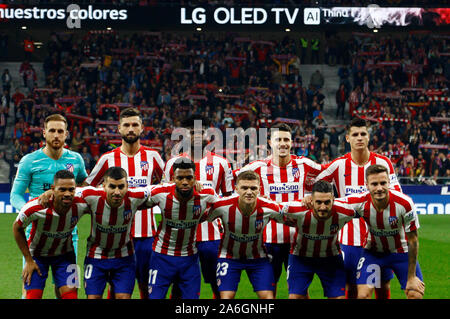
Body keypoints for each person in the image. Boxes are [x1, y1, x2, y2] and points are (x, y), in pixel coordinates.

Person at [313, 117, 402, 299]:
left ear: (369, 137)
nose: (359, 138)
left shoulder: (383, 163)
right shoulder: (338, 165)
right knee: (351, 287)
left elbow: (397, 195)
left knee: (381, 286)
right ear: (347, 138)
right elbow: (314, 182)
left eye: (363, 134)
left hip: (377, 238)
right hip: (348, 239)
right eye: (355, 134)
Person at [84, 107, 164, 299]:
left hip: (146, 236)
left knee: (146, 287)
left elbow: (167, 187)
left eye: (135, 125)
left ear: (142, 128)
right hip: (116, 238)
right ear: (119, 129)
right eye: (126, 125)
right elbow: (87, 188)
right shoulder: (108, 159)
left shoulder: (152, 157)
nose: (130, 129)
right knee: (116, 288)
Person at [237, 122, 324, 296]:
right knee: (269, 289)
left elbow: (327, 179)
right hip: (269, 239)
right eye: (278, 139)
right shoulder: (256, 168)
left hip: (299, 239)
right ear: (270, 142)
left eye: (286, 139)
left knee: (300, 290)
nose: (283, 143)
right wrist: (256, 199)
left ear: (292, 142)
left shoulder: (305, 164)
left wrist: (312, 195)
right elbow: (233, 185)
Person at [10, 113, 88, 298]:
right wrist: (34, 209)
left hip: (69, 237)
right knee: (30, 287)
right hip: (36, 238)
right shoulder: (29, 161)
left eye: (60, 131)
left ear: (66, 134)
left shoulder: (76, 159)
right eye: (52, 130)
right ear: (44, 133)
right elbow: (15, 195)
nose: (56, 135)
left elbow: (84, 188)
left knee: (67, 291)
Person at [164, 115, 233, 299]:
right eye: (192, 132)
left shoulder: (221, 163)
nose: (196, 136)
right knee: (179, 285)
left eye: (200, 132)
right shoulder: (172, 163)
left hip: (212, 235)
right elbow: (165, 197)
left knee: (218, 283)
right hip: (182, 236)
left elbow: (228, 199)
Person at [342, 165, 425, 299]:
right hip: (373, 254)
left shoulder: (405, 203)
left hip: (401, 253)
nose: (379, 188)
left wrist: (411, 277)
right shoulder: (360, 201)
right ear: (367, 185)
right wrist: (309, 200)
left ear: (389, 183)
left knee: (415, 294)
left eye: (383, 183)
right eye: (374, 184)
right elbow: (333, 204)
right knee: (362, 295)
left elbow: (413, 240)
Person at [146, 158, 218, 299]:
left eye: (189, 178)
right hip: (161, 257)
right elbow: (134, 201)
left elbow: (225, 206)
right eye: (180, 178)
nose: (185, 182)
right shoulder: (160, 193)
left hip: (189, 259)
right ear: (173, 179)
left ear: (195, 178)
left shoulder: (206, 194)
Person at [206, 171, 285, 299]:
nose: (249, 192)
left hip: (258, 258)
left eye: (253, 188)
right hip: (229, 257)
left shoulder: (270, 207)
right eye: (244, 188)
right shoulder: (222, 206)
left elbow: (290, 219)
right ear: (236, 189)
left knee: (268, 297)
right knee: (226, 297)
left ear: (259, 189)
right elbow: (201, 218)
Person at [12, 170, 90, 299]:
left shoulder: (81, 203)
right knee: (32, 296)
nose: (67, 194)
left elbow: (99, 193)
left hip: (66, 256)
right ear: (53, 189)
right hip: (37, 256)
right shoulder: (35, 207)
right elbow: (16, 227)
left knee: (71, 296)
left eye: (71, 189)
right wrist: (29, 260)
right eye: (62, 190)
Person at [281, 180, 360, 299]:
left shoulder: (345, 212)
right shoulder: (296, 209)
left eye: (327, 202)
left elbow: (368, 209)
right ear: (311, 200)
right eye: (318, 202)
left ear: (333, 199)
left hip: (331, 259)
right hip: (300, 258)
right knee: (295, 297)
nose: (323, 207)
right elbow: (273, 209)